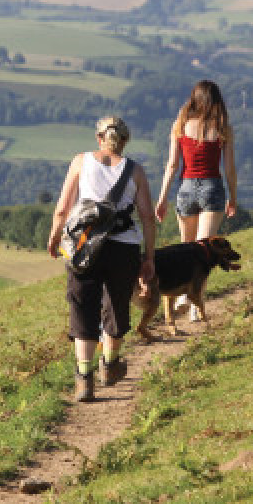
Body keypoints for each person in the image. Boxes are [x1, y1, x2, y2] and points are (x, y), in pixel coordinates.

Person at [47, 116, 156, 402]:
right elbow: (147, 216)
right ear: (125, 141)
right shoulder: (136, 172)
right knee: (117, 303)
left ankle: (84, 377)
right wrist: (149, 257)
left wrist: (55, 236)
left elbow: (63, 208)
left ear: (99, 137)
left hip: (84, 246)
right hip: (124, 248)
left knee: (82, 305)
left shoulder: (81, 161)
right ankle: (109, 364)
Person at [153, 79, 238, 321]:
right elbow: (229, 169)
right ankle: (194, 307)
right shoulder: (223, 127)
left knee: (186, 247)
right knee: (205, 250)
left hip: (186, 189)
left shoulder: (180, 125)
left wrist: (162, 200)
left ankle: (182, 295)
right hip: (213, 187)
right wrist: (233, 196)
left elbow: (171, 165)